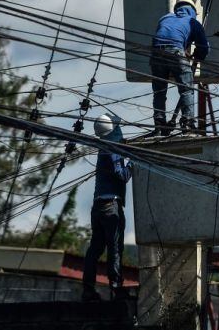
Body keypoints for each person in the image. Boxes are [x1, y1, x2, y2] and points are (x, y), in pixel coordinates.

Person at [82, 114, 133, 302]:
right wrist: (134, 162)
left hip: (98, 207)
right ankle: (116, 287)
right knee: (115, 248)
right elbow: (122, 175)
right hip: (111, 206)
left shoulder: (105, 149)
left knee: (95, 248)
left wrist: (126, 149)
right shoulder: (111, 150)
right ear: (112, 131)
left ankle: (88, 289)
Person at [150, 0, 210, 135]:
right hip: (176, 52)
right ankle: (187, 123)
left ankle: (159, 125)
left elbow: (167, 34)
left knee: (159, 92)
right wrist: (197, 55)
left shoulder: (164, 18)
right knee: (186, 90)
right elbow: (204, 48)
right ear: (192, 11)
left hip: (156, 54)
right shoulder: (192, 21)